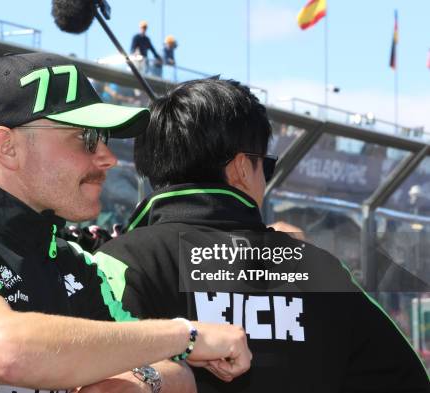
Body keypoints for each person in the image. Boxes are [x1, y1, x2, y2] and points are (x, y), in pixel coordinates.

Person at [0, 53, 252, 393]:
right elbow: (8, 350)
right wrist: (186, 334)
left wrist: (139, 381)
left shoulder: (73, 261)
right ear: (7, 147)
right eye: (87, 137)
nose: (107, 157)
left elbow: (177, 372)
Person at [94, 78, 429, 392]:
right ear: (241, 169)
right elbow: (406, 379)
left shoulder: (120, 262)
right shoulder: (321, 271)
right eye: (265, 166)